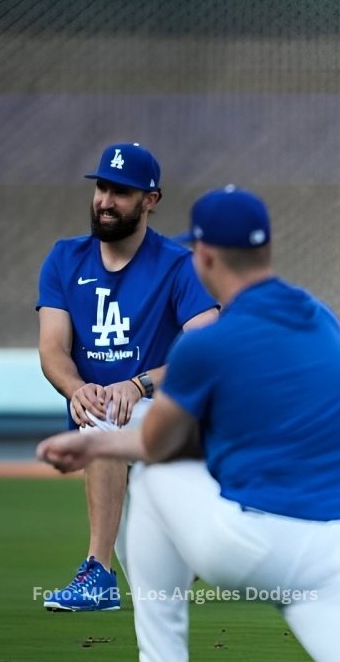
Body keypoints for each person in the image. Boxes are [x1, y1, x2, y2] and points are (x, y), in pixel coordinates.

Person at [37, 186, 340, 662]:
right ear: (264, 251)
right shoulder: (321, 319)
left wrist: (90, 441)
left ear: (203, 257)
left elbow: (156, 444)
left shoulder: (207, 345)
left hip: (265, 541)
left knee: (155, 480)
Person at [36, 142, 218, 612]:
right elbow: (53, 348)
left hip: (167, 414)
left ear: (150, 200)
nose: (105, 200)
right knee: (155, 580)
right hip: (104, 410)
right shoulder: (64, 259)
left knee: (104, 421)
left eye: (121, 191)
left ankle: (97, 574)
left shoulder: (179, 265)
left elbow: (208, 349)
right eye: (102, 187)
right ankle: (188, 555)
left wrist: (138, 384)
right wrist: (79, 390)